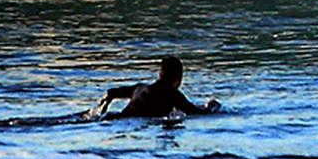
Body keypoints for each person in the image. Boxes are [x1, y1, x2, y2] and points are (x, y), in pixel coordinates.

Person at [87, 56, 220, 120]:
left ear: (160, 74)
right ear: (178, 80)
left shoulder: (139, 88)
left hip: (119, 118)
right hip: (136, 123)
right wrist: (211, 106)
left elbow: (110, 93)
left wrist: (100, 111)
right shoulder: (173, 95)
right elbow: (193, 111)